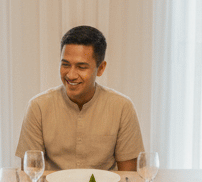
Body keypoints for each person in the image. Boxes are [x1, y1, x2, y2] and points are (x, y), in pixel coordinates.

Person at [15, 25, 145, 171]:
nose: (70, 75)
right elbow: (30, 175)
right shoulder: (37, 107)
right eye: (65, 64)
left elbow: (130, 178)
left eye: (81, 67)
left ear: (101, 68)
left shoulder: (122, 107)